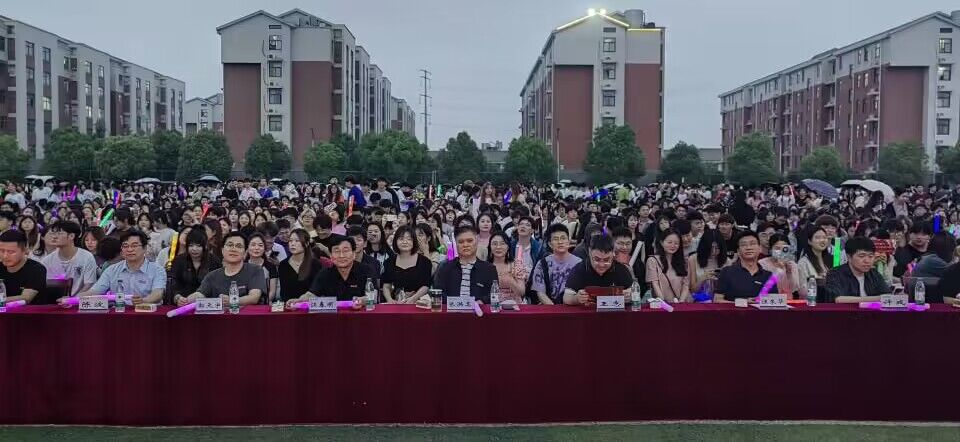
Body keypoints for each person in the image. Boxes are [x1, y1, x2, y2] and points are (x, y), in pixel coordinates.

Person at [74, 230, 166, 305]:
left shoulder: (157, 269)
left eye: (134, 245)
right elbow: (94, 292)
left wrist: (143, 301)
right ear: (121, 250)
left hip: (147, 314)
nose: (130, 249)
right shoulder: (111, 270)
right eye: (125, 246)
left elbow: (158, 294)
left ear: (145, 248)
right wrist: (72, 299)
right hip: (119, 313)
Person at [176, 232, 265, 307]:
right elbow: (200, 294)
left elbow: (254, 297)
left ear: (245, 253)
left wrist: (232, 301)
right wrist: (185, 300)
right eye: (230, 245)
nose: (233, 249)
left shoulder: (255, 270)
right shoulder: (212, 276)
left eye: (238, 246)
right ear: (222, 250)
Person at [287, 236, 371, 305]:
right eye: (336, 251)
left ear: (354, 254)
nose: (341, 255)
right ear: (330, 255)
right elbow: (311, 294)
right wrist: (299, 300)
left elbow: (373, 296)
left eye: (345, 251)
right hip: (334, 316)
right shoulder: (325, 273)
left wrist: (362, 300)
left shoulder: (367, 270)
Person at [563, 234, 634, 306]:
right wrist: (576, 299)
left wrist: (630, 296)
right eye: (597, 259)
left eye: (606, 260)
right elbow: (566, 298)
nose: (601, 265)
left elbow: (634, 292)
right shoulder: (579, 269)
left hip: (614, 311)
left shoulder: (621, 269)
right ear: (590, 252)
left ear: (613, 253)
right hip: (587, 311)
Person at [434, 225, 497, 304]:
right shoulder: (445, 267)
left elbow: (494, 294)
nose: (465, 245)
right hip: (450, 311)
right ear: (455, 244)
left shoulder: (489, 269)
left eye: (470, 241)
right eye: (461, 242)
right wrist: (455, 303)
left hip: (480, 310)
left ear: (477, 241)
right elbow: (437, 292)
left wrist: (482, 301)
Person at [715, 231, 780, 302]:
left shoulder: (769, 276)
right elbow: (717, 299)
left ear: (760, 249)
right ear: (738, 251)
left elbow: (775, 302)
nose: (748, 248)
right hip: (735, 309)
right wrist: (743, 302)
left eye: (752, 244)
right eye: (743, 245)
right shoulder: (727, 272)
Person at [39, 221, 98, 297]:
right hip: (54, 301)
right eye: (54, 233)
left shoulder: (86, 257)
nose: (54, 237)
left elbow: (89, 284)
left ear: (71, 236)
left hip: (79, 301)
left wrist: (72, 299)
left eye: (59, 233)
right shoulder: (47, 261)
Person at [824, 236, 891, 303]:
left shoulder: (874, 274)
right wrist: (878, 299)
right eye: (861, 256)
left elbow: (887, 295)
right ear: (849, 257)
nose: (867, 261)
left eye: (870, 256)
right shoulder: (835, 273)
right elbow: (838, 299)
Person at [530, 224, 582, 305]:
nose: (560, 242)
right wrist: (554, 309)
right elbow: (540, 293)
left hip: (573, 306)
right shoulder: (542, 264)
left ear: (569, 241)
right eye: (555, 239)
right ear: (550, 244)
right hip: (549, 307)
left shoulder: (579, 263)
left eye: (563, 238)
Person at [381, 226, 432, 304]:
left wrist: (413, 298)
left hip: (418, 303)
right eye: (401, 239)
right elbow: (386, 285)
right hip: (396, 303)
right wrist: (390, 300)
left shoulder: (425, 261)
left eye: (409, 239)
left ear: (414, 241)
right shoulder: (389, 262)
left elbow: (426, 285)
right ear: (395, 241)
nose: (405, 242)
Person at [167, 229, 219, 303]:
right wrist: (177, 297)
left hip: (207, 302)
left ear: (205, 246)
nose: (194, 249)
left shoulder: (214, 261)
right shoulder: (179, 260)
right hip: (184, 301)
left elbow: (217, 284)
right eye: (191, 245)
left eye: (198, 246)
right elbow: (173, 283)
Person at [0, 230, 47, 304]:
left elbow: (26, 298)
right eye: (2, 251)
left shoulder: (37, 269)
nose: (5, 256)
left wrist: (1, 300)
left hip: (28, 310)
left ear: (24, 250)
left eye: (11, 252)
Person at [277, 229, 325, 302]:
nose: (292, 244)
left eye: (297, 241)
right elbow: (284, 292)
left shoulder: (315, 264)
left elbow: (318, 290)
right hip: (290, 304)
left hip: (310, 305)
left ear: (306, 243)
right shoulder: (283, 265)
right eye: (290, 241)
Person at [645, 229, 691, 303]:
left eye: (676, 243)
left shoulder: (684, 261)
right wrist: (664, 303)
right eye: (669, 242)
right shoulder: (652, 261)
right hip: (663, 304)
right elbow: (655, 284)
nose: (673, 246)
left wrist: (681, 303)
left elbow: (686, 285)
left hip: (682, 303)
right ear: (661, 242)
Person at [758, 233, 803, 299]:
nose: (781, 251)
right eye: (777, 248)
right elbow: (766, 288)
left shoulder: (792, 265)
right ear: (770, 249)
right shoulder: (762, 263)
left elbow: (794, 288)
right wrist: (779, 269)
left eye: (784, 248)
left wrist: (789, 273)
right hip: (769, 300)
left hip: (788, 301)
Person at [488, 231, 527, 304]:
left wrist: (510, 281)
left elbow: (522, 292)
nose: (498, 247)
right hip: (491, 305)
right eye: (494, 244)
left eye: (502, 243)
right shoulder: (485, 267)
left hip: (514, 305)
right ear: (490, 247)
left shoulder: (516, 266)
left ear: (508, 247)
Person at [688, 229, 728, 294]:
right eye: (710, 248)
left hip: (720, 297)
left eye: (717, 248)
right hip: (699, 298)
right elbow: (692, 289)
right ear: (704, 247)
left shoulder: (727, 261)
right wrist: (703, 278)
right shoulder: (693, 259)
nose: (713, 252)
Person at [246, 233, 280, 304]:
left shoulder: (270, 266)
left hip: (264, 304)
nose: (256, 248)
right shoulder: (242, 265)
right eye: (253, 245)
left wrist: (265, 303)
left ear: (264, 248)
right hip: (245, 303)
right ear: (247, 248)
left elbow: (272, 292)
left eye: (260, 245)